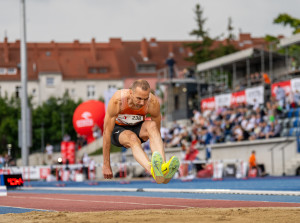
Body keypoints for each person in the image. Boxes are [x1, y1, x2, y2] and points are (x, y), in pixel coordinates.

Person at [102, 79, 180, 184]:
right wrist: (106, 164)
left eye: (145, 99)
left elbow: (156, 133)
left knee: (152, 125)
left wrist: (160, 154)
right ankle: (152, 170)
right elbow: (106, 132)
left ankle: (161, 170)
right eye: (139, 98)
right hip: (118, 130)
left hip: (138, 127)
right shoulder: (118, 100)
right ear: (131, 92)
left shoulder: (152, 102)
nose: (142, 103)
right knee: (132, 137)